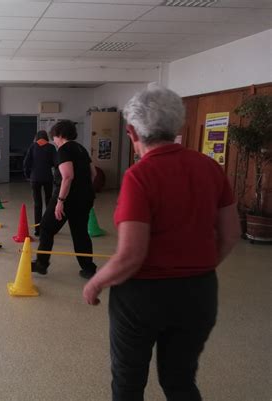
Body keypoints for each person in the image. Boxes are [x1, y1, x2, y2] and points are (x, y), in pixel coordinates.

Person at [83, 86, 240, 401]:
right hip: (199, 292)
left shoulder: (140, 176)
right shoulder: (211, 168)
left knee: (128, 383)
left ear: (131, 131)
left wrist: (95, 283)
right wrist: (197, 269)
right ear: (177, 127)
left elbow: (130, 255)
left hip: (142, 297)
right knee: (180, 381)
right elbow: (230, 233)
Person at [31, 120, 97, 279]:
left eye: (54, 136)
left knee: (46, 228)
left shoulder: (63, 150)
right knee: (80, 233)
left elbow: (67, 176)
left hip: (67, 198)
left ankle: (41, 263)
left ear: (59, 135)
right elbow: (93, 173)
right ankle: (88, 268)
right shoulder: (81, 149)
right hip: (85, 197)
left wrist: (60, 201)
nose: (53, 139)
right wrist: (83, 190)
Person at [23, 130, 57, 236]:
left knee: (37, 204)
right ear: (46, 137)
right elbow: (56, 163)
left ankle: (37, 229)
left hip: (35, 179)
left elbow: (26, 163)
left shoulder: (33, 147)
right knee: (49, 202)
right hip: (47, 178)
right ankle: (49, 227)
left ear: (36, 137)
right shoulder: (51, 147)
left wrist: (27, 175)